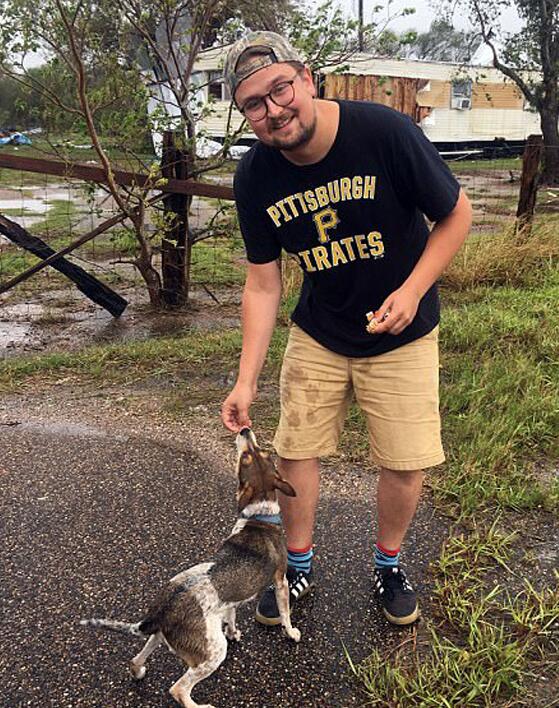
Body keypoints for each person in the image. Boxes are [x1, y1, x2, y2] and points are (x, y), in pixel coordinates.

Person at [220, 31, 472, 626]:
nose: (272, 110)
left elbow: (455, 214)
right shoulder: (254, 176)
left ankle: (388, 563)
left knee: (404, 460)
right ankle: (299, 566)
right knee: (297, 450)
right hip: (321, 330)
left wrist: (411, 291)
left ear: (307, 78)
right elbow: (262, 282)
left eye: (280, 89)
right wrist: (244, 381)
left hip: (402, 331)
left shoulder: (384, 133)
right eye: (253, 104)